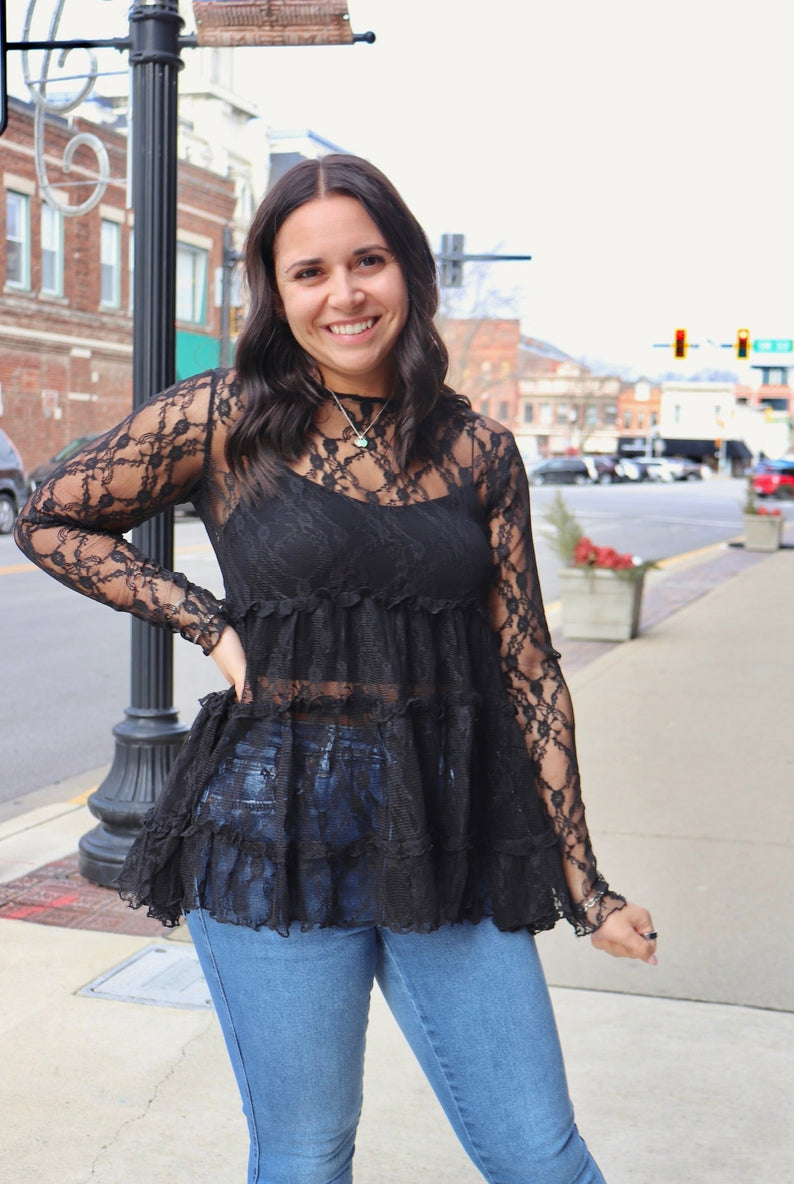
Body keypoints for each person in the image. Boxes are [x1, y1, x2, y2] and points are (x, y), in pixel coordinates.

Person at [15, 154, 657, 1184]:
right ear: (275, 292)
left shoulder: (478, 449)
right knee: (306, 1154)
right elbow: (50, 516)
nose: (344, 293)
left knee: (542, 1158)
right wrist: (206, 622)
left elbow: (527, 668)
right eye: (308, 271)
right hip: (269, 834)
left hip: (449, 833)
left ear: (407, 267)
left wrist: (585, 885)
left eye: (367, 260)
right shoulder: (224, 418)